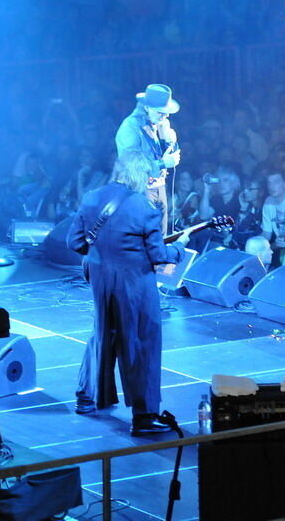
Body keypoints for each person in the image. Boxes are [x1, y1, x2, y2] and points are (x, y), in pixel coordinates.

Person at [68, 152, 190, 436]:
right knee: (142, 340)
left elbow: (74, 241)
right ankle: (144, 416)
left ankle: (86, 397)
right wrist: (180, 247)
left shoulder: (92, 197)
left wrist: (102, 257)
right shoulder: (144, 207)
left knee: (102, 334)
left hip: (100, 280)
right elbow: (158, 255)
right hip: (134, 284)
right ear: (140, 174)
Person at [115, 84, 182, 233]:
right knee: (144, 236)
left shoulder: (156, 124)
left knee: (160, 236)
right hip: (139, 190)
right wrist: (163, 163)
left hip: (159, 187)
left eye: (166, 112)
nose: (165, 116)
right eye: (161, 112)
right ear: (147, 108)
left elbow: (169, 155)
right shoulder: (130, 127)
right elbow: (131, 165)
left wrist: (168, 140)